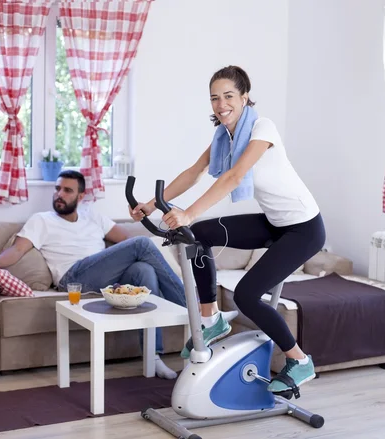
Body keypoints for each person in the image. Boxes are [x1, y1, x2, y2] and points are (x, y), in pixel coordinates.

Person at [130, 65, 326, 394]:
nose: (221, 104)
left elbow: (233, 178)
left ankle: (299, 359)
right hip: (275, 222)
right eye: (215, 98)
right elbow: (194, 172)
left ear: (245, 97)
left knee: (248, 295)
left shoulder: (263, 128)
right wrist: (152, 204)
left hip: (304, 229)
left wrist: (189, 213)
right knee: (201, 235)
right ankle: (211, 319)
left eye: (229, 96)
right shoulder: (225, 136)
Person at [0, 170, 185, 379]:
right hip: (73, 278)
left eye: (67, 190)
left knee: (143, 270)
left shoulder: (92, 215)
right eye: (57, 189)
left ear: (81, 196)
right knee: (142, 243)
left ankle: (153, 357)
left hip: (104, 277)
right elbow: (17, 250)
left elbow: (126, 240)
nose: (59, 194)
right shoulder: (41, 220)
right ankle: (195, 311)